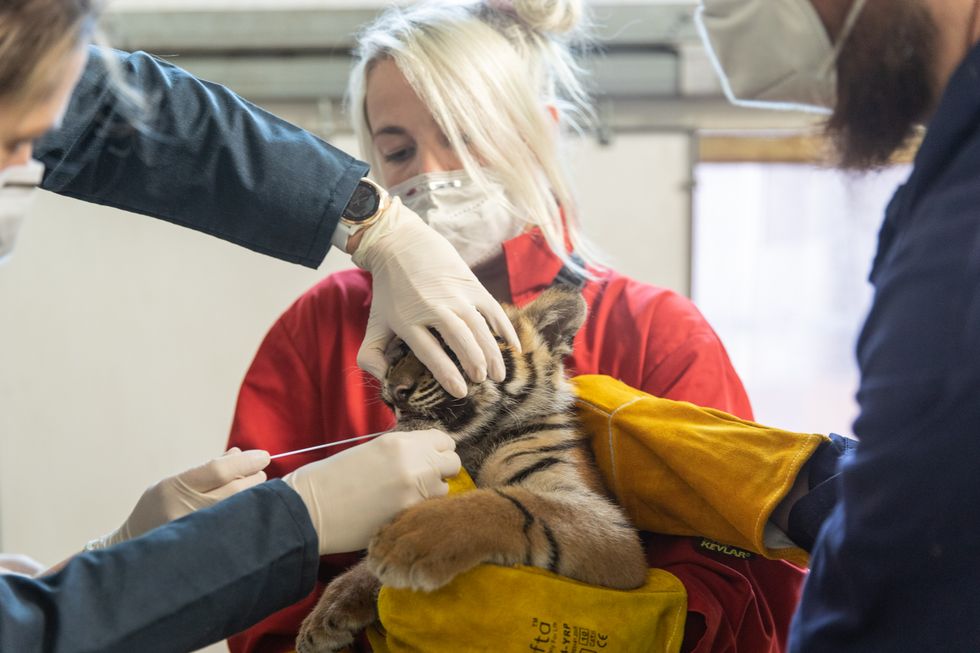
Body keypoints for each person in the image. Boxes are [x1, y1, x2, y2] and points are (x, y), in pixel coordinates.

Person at [225, 1, 808, 651]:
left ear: (543, 135)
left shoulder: (654, 333)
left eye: (464, 135)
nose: (432, 173)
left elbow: (749, 581)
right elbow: (258, 588)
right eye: (398, 149)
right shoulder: (320, 331)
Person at [0, 0, 528, 648]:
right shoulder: (319, 329)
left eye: (34, 143)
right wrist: (288, 525)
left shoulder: (646, 324)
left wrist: (103, 559)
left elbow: (120, 115)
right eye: (12, 145)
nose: (26, 168)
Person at [694, 0, 980, 649]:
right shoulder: (946, 185)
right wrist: (808, 483)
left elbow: (903, 580)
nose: (724, 21)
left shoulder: (962, 234)